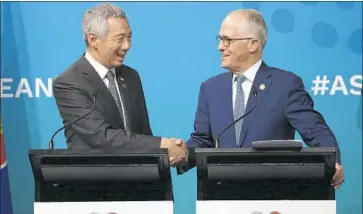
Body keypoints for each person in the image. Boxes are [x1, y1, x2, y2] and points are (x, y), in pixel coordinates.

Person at [185, 9, 344, 189]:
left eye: (227, 40)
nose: (220, 47)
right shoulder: (210, 88)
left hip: (271, 192)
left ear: (253, 44)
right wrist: (180, 154)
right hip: (220, 193)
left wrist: (334, 163)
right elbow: (202, 140)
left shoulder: (285, 84)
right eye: (220, 39)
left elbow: (315, 130)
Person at [53, 3, 187, 163]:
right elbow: (100, 137)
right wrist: (162, 144)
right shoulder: (69, 82)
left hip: (137, 181)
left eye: (129, 37)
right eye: (119, 39)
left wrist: (167, 154)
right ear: (93, 39)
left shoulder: (131, 76)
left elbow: (143, 134)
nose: (127, 46)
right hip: (94, 182)